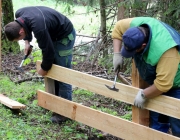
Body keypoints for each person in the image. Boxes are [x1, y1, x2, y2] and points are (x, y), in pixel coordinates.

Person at [5, 6, 76, 124]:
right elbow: (27, 28)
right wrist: (27, 42)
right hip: (51, 34)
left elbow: (48, 52)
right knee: (54, 71)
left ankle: (64, 113)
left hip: (64, 35)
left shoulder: (39, 28)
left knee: (63, 74)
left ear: (21, 31)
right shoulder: (19, 14)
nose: (21, 40)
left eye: (20, 39)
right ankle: (55, 103)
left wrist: (44, 68)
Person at [112, 17, 180, 137]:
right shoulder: (134, 26)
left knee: (177, 122)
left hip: (176, 82)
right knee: (157, 122)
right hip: (157, 81)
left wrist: (144, 94)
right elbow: (117, 28)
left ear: (143, 45)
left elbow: (163, 84)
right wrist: (117, 54)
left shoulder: (166, 50)